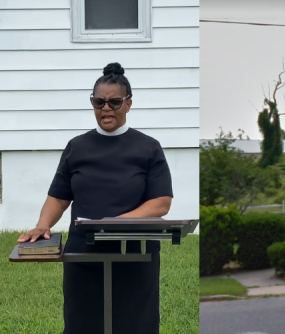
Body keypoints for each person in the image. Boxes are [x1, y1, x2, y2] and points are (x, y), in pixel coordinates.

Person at [17, 62, 174, 334]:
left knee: (135, 323)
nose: (106, 108)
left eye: (114, 102)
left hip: (134, 254)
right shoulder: (77, 147)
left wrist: (118, 222)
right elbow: (59, 196)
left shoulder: (148, 147)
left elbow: (161, 202)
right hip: (84, 254)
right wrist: (44, 224)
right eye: (98, 102)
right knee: (83, 323)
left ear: (128, 104)